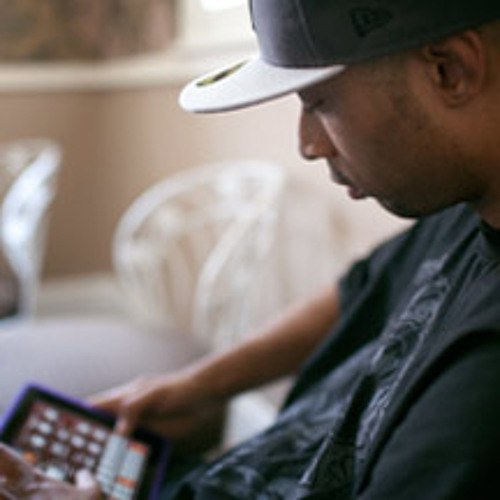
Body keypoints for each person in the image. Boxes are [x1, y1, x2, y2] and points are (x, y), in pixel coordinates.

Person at [4, 0, 500, 497]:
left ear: (449, 70)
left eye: (319, 103)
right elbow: (361, 289)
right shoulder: (463, 209)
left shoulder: (480, 391)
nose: (308, 144)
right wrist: (201, 386)